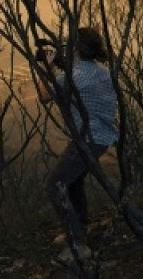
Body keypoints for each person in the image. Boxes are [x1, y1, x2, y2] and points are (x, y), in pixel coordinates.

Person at [37, 26, 119, 263]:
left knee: (55, 184)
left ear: (76, 48)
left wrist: (47, 67)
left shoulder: (73, 77)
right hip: (102, 136)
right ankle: (80, 227)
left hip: (87, 139)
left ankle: (77, 244)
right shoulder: (102, 71)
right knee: (74, 182)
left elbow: (43, 96)